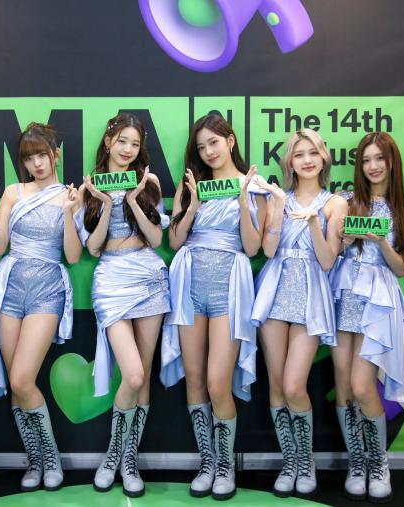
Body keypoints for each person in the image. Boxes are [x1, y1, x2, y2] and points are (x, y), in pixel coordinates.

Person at [160, 113, 267, 500]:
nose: (208, 151)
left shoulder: (253, 185)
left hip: (229, 288)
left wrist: (243, 203)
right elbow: (174, 241)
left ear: (231, 141)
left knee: (219, 382)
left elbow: (253, 248)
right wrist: (192, 204)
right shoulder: (191, 184)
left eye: (214, 143)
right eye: (201, 146)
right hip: (189, 283)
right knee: (195, 379)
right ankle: (208, 463)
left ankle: (225, 467)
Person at [0, 123, 82, 492]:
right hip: (10, 286)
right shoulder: (12, 192)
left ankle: (51, 458)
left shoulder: (70, 195)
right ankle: (35, 460)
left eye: (42, 155)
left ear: (56, 154)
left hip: (48, 288)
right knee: (16, 384)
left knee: (22, 379)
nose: (37, 163)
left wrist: (68, 212)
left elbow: (72, 256)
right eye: (29, 158)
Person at [77, 113, 170, 498]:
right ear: (108, 142)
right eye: (122, 141)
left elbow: (156, 238)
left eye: (135, 143)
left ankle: (127, 460)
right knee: (131, 376)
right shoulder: (91, 186)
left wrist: (133, 199)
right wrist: (103, 203)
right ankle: (114, 455)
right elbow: (93, 247)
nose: (128, 149)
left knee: (142, 378)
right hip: (111, 281)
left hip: (149, 279)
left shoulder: (148, 182)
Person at [251, 129, 347, 498]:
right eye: (298, 154)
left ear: (323, 158)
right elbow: (268, 250)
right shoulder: (279, 196)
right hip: (274, 291)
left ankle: (306, 462)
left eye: (313, 153)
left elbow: (327, 260)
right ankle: (289, 462)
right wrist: (278, 206)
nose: (307, 160)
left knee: (294, 385)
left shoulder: (335, 204)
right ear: (289, 162)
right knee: (277, 387)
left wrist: (312, 223)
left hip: (310, 295)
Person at [329, 132, 404, 503]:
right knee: (344, 385)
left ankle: (379, 464)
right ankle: (357, 464)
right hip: (345, 292)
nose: (373, 166)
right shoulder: (348, 201)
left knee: (363, 385)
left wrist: (381, 240)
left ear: (392, 161)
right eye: (366, 160)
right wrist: (344, 241)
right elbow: (332, 255)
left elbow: (402, 268)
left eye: (379, 158)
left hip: (379, 298)